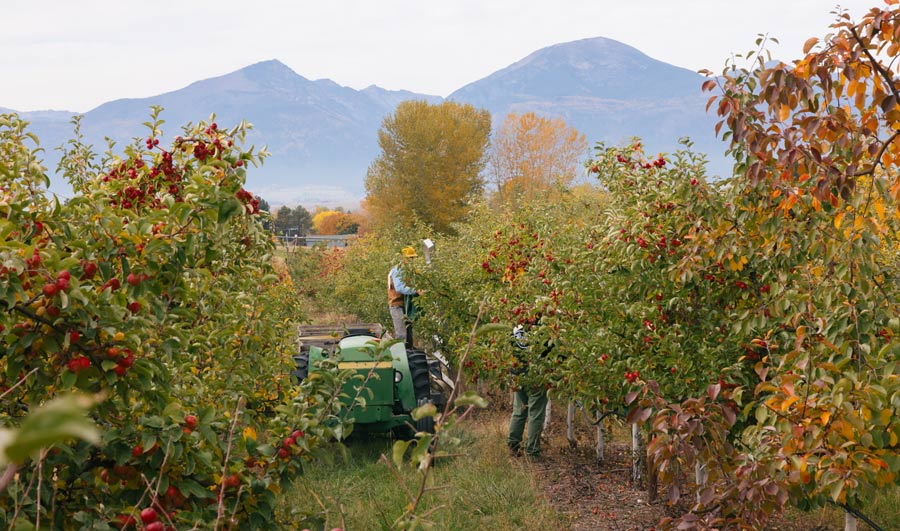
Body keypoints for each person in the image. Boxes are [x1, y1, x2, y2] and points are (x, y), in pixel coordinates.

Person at [507, 322, 551, 459]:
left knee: (519, 410)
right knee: (536, 413)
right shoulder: (543, 327)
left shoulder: (515, 326)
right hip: (536, 376)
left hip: (517, 374)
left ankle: (513, 444)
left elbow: (510, 347)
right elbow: (551, 351)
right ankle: (532, 452)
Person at [388, 246, 420, 347]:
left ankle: (409, 358)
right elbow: (400, 288)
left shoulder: (408, 271)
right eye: (409, 258)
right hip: (396, 305)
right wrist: (416, 291)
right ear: (403, 258)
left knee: (409, 335)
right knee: (402, 335)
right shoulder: (398, 270)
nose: (411, 260)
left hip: (406, 305)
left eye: (412, 258)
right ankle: (401, 360)